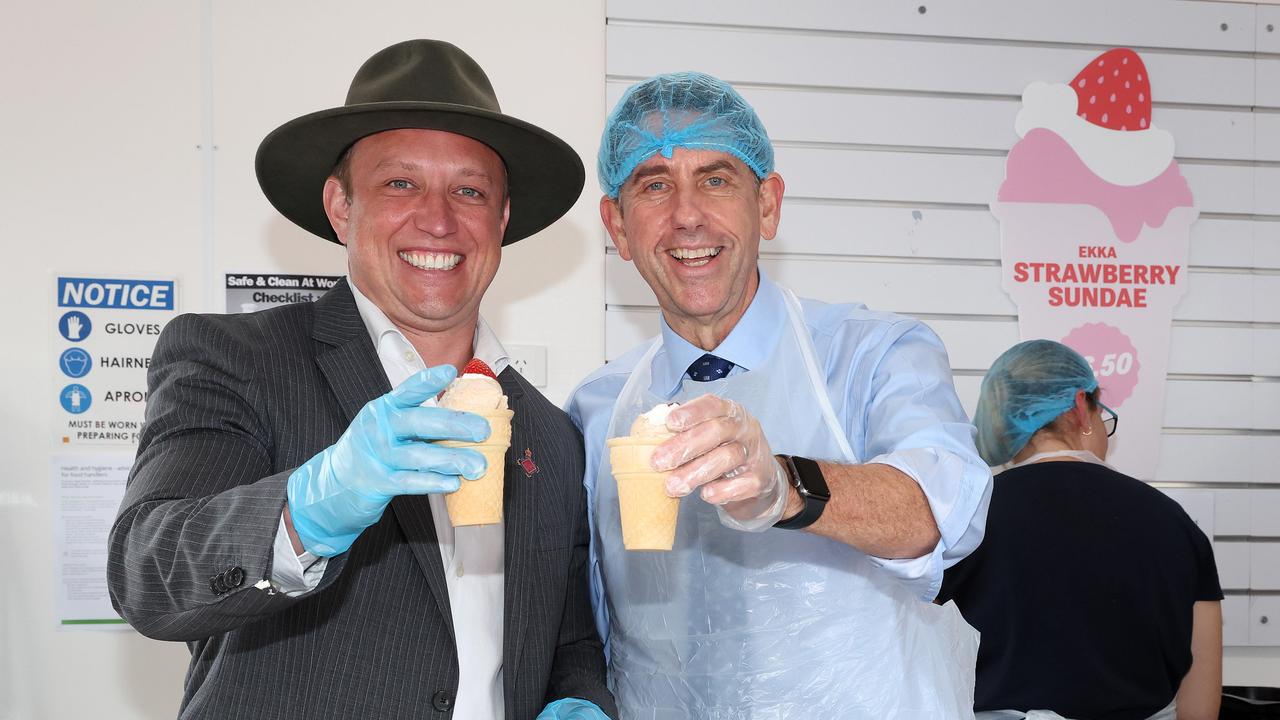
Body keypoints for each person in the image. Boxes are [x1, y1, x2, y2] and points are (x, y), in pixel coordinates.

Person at [107, 40, 614, 720]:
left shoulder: (552, 434)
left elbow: (569, 638)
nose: (437, 219)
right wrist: (306, 512)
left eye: (469, 190)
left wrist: (579, 698)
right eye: (400, 184)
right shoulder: (236, 358)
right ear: (340, 207)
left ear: (501, 220)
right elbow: (147, 575)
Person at [567, 72, 993, 717]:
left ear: (767, 203)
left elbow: (940, 513)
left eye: (716, 180)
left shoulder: (874, 355)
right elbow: (589, 617)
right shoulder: (598, 410)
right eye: (654, 186)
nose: (687, 215)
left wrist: (787, 487)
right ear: (617, 227)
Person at [937, 339, 1223, 720]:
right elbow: (1200, 702)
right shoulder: (1175, 523)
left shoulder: (963, 518)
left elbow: (923, 667)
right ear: (1080, 410)